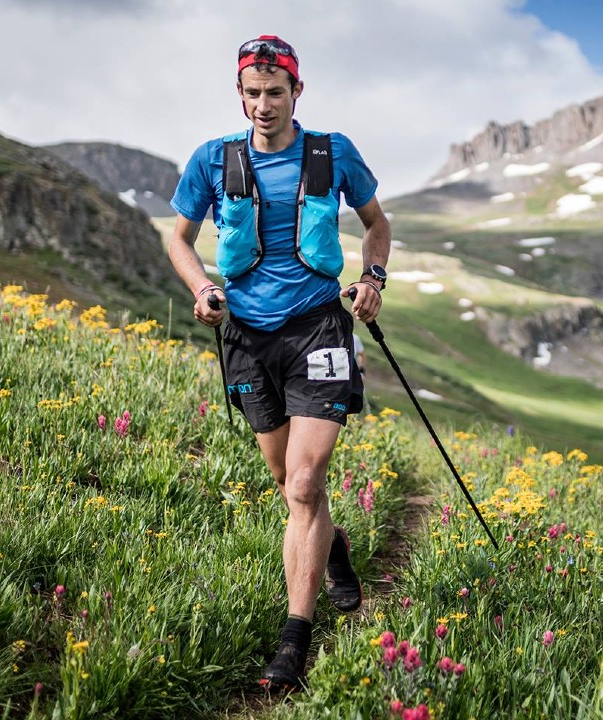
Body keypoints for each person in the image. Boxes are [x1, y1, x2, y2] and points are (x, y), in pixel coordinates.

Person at [167, 34, 391, 692]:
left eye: (276, 92)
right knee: (290, 483)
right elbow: (178, 238)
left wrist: (374, 276)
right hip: (246, 336)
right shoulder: (213, 161)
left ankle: (294, 640)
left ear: (297, 92)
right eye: (253, 93)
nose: (264, 104)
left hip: (320, 324)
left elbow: (378, 223)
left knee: (302, 483)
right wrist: (203, 290)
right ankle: (334, 545)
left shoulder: (332, 153)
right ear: (239, 95)